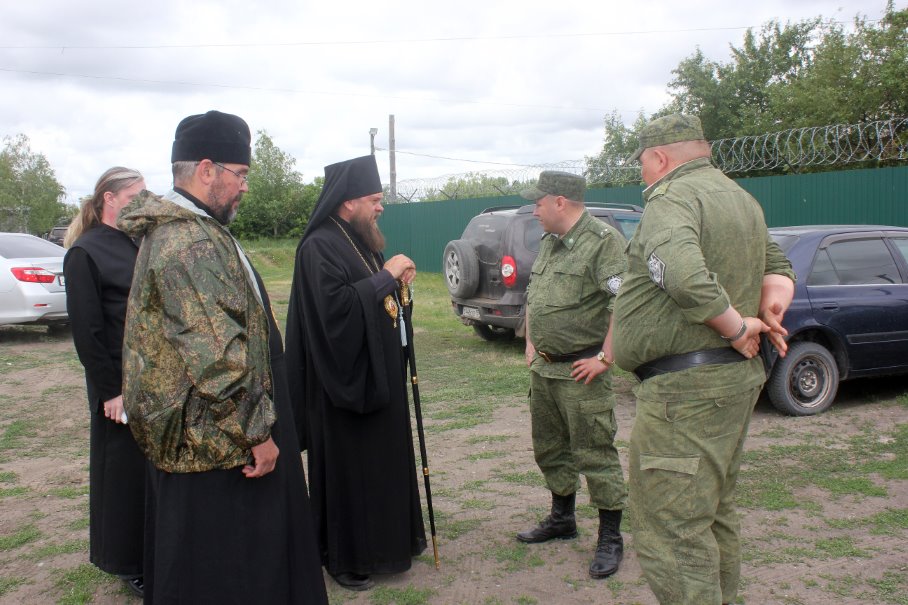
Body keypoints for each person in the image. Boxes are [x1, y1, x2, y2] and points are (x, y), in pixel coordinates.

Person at [118, 110, 328, 605]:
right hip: (214, 444)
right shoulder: (188, 241)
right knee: (230, 571)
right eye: (242, 174)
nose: (245, 187)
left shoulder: (195, 230)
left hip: (212, 437)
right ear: (207, 170)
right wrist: (257, 433)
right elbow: (215, 356)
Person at [612, 114, 796, 605]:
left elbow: (682, 273)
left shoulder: (672, 198)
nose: (642, 173)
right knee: (713, 513)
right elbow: (778, 267)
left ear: (660, 157)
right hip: (729, 383)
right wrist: (771, 310)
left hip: (687, 391)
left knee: (671, 526)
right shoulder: (740, 197)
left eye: (642, 162)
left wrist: (736, 327)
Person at [284, 154, 426, 592]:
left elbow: (376, 296)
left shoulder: (363, 240)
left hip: (378, 376)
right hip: (342, 386)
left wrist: (397, 285)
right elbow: (336, 313)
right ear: (348, 201)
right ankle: (344, 558)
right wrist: (385, 278)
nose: (381, 207)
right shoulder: (318, 247)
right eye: (375, 199)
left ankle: (390, 544)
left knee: (382, 468)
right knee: (351, 476)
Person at [515, 171, 628, 579]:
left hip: (583, 372)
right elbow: (535, 296)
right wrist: (530, 342)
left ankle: (610, 538)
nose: (534, 210)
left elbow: (622, 303)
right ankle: (562, 518)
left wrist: (606, 357)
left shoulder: (603, 241)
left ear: (560, 202)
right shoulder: (550, 241)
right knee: (550, 447)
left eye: (539, 203)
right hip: (545, 368)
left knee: (595, 452)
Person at [63, 167, 147, 598]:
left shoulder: (137, 241)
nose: (142, 201)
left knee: (148, 472)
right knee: (123, 477)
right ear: (109, 199)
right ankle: (127, 561)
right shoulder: (85, 252)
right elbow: (88, 331)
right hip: (117, 387)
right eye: (135, 195)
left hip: (150, 379)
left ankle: (153, 550)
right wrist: (110, 391)